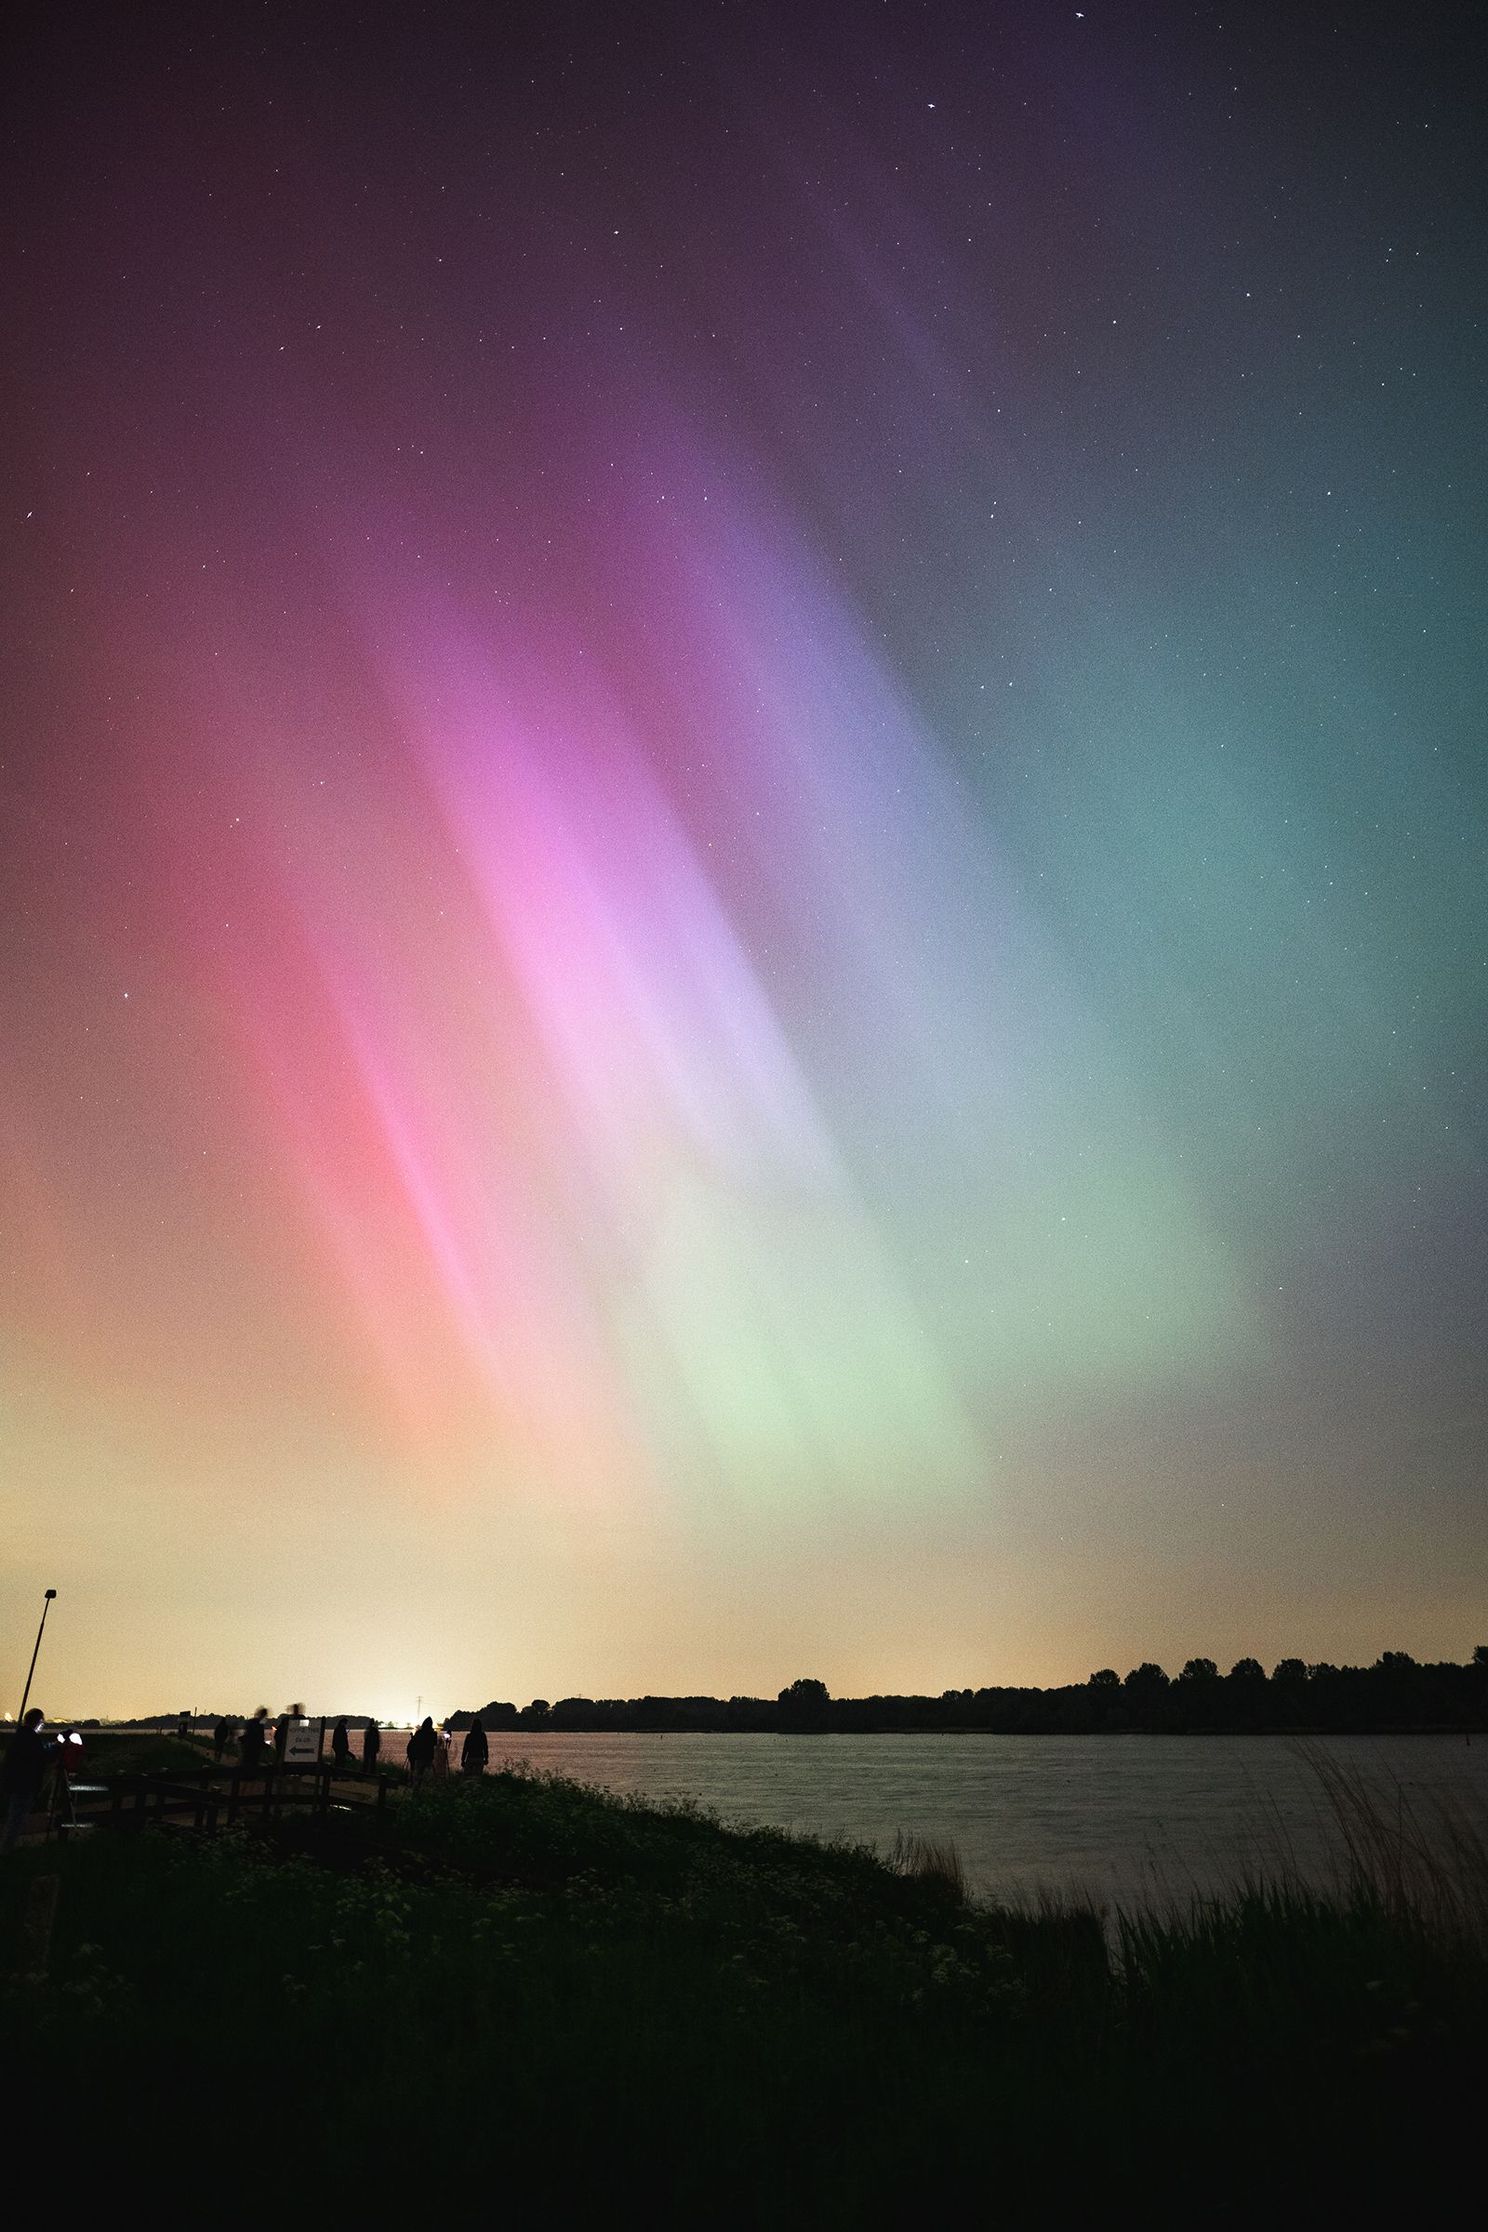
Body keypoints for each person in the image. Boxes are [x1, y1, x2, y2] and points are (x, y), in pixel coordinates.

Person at [1, 1709, 53, 1854]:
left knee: (14, 1816)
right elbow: (40, 1758)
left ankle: (8, 1848)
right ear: (37, 1722)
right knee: (16, 1818)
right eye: (42, 1722)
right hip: (24, 1784)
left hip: (15, 1783)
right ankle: (7, 1850)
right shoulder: (30, 1738)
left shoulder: (21, 1736)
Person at [406, 1717, 437, 1784]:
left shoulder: (419, 1733)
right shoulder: (433, 1734)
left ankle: (416, 1788)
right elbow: (435, 1743)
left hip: (419, 1757)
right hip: (429, 1757)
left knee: (418, 1775)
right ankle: (424, 1788)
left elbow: (415, 1742)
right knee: (427, 1776)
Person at [240, 1706, 271, 1774]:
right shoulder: (258, 1724)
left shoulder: (253, 1722)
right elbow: (257, 1737)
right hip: (253, 1748)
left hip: (250, 1747)